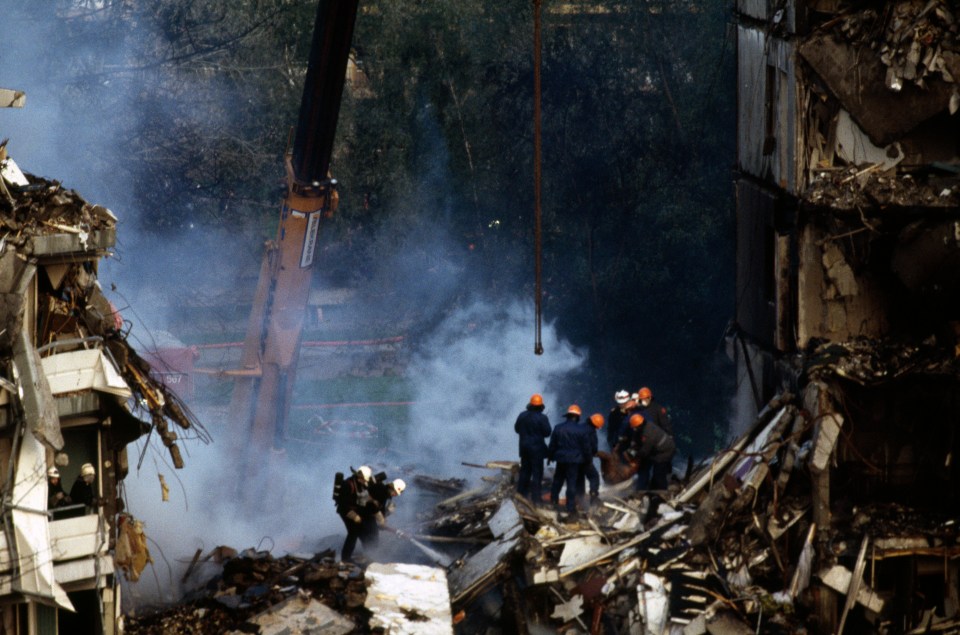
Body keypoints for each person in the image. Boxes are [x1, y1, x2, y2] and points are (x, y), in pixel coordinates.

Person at [548, 405, 590, 517]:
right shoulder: (581, 430)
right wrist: (588, 460)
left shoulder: (558, 427)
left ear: (568, 416)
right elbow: (586, 448)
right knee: (571, 483)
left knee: (557, 480)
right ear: (577, 417)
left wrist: (549, 457)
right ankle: (570, 507)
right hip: (574, 461)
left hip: (561, 459)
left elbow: (552, 445)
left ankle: (553, 501)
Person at [619, 413, 676, 491]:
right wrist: (631, 449)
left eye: (635, 428)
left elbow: (644, 452)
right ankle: (648, 487)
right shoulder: (641, 427)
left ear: (639, 426)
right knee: (646, 466)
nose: (634, 429)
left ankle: (662, 491)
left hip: (666, 450)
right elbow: (636, 439)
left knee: (658, 472)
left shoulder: (649, 434)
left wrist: (633, 454)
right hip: (656, 449)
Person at [514, 393, 551, 505]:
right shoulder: (543, 418)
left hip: (524, 449)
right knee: (537, 474)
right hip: (537, 450)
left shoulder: (522, 415)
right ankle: (536, 499)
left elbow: (516, 429)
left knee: (525, 472)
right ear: (540, 406)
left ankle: (520, 496)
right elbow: (547, 433)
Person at [334, 465, 373, 562]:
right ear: (359, 476)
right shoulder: (348, 485)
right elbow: (343, 505)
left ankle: (369, 553)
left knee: (362, 531)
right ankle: (345, 559)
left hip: (355, 510)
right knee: (353, 533)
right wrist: (354, 516)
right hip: (345, 511)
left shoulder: (360, 484)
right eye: (363, 479)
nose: (365, 481)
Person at [361, 475, 407, 549]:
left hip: (367, 514)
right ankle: (368, 552)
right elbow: (372, 507)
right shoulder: (381, 490)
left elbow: (379, 508)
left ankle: (368, 551)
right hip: (363, 513)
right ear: (392, 488)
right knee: (373, 536)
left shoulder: (384, 493)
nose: (395, 495)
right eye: (395, 492)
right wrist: (381, 519)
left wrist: (384, 516)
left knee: (373, 534)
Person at [577, 413, 604, 507]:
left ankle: (580, 500)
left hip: (574, 459)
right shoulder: (591, 432)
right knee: (594, 477)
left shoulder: (579, 426)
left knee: (580, 479)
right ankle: (593, 497)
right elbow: (593, 448)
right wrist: (590, 457)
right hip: (585, 459)